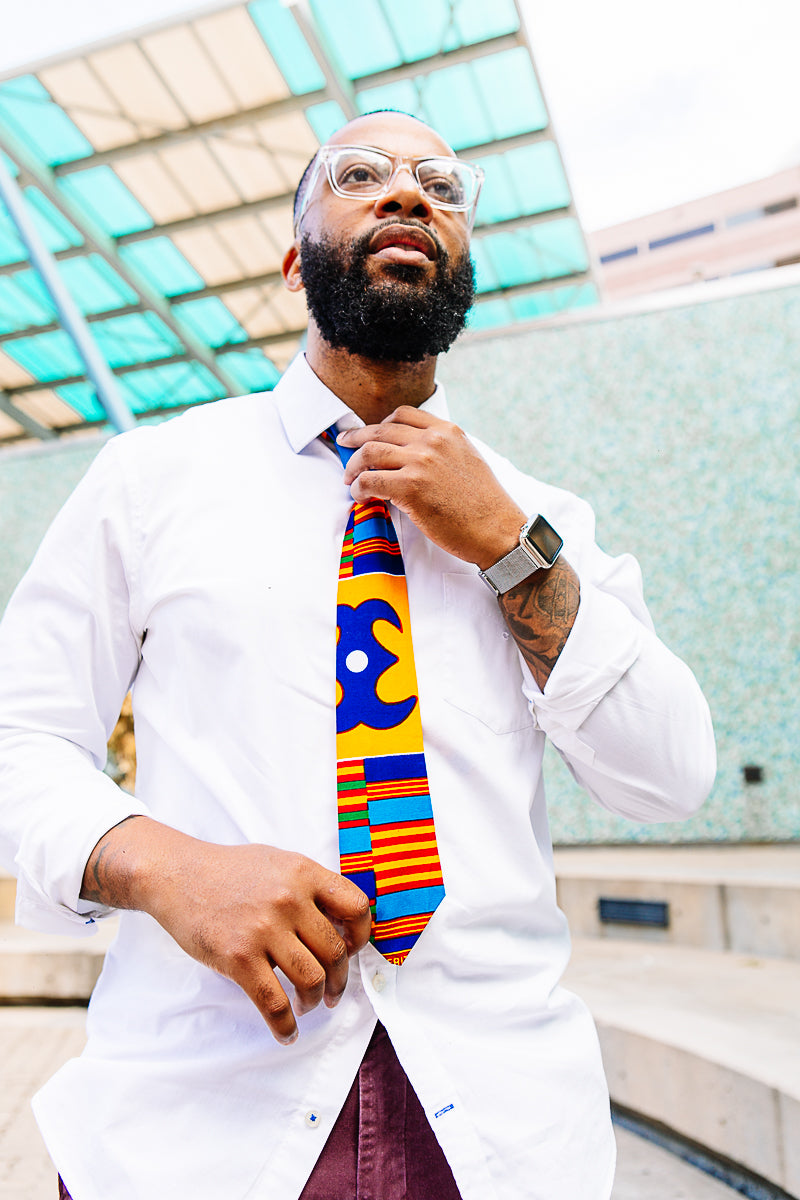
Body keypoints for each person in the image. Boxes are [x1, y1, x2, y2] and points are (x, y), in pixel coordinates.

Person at [0, 110, 715, 1200]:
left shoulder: (540, 518)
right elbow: (17, 738)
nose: (409, 191)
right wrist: (167, 867)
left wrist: (506, 546)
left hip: (499, 1134)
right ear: (295, 261)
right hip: (197, 1133)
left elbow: (668, 774)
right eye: (360, 173)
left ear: (460, 263)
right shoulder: (150, 481)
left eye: (441, 183)